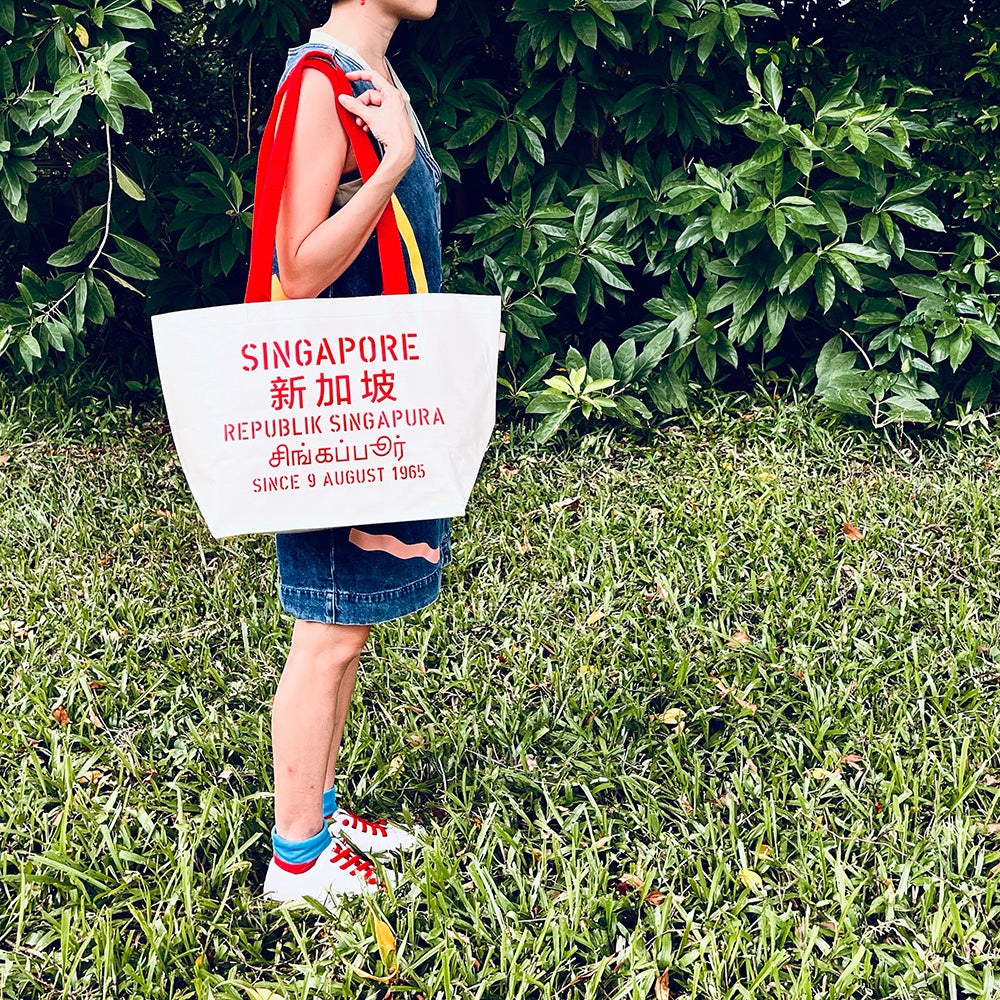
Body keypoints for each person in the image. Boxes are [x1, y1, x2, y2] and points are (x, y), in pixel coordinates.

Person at [260, 0, 443, 906]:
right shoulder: (319, 83)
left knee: (349, 624)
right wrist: (394, 166)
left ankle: (321, 814)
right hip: (335, 416)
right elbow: (298, 269)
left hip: (377, 405)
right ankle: (296, 860)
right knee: (326, 630)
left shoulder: (371, 81)